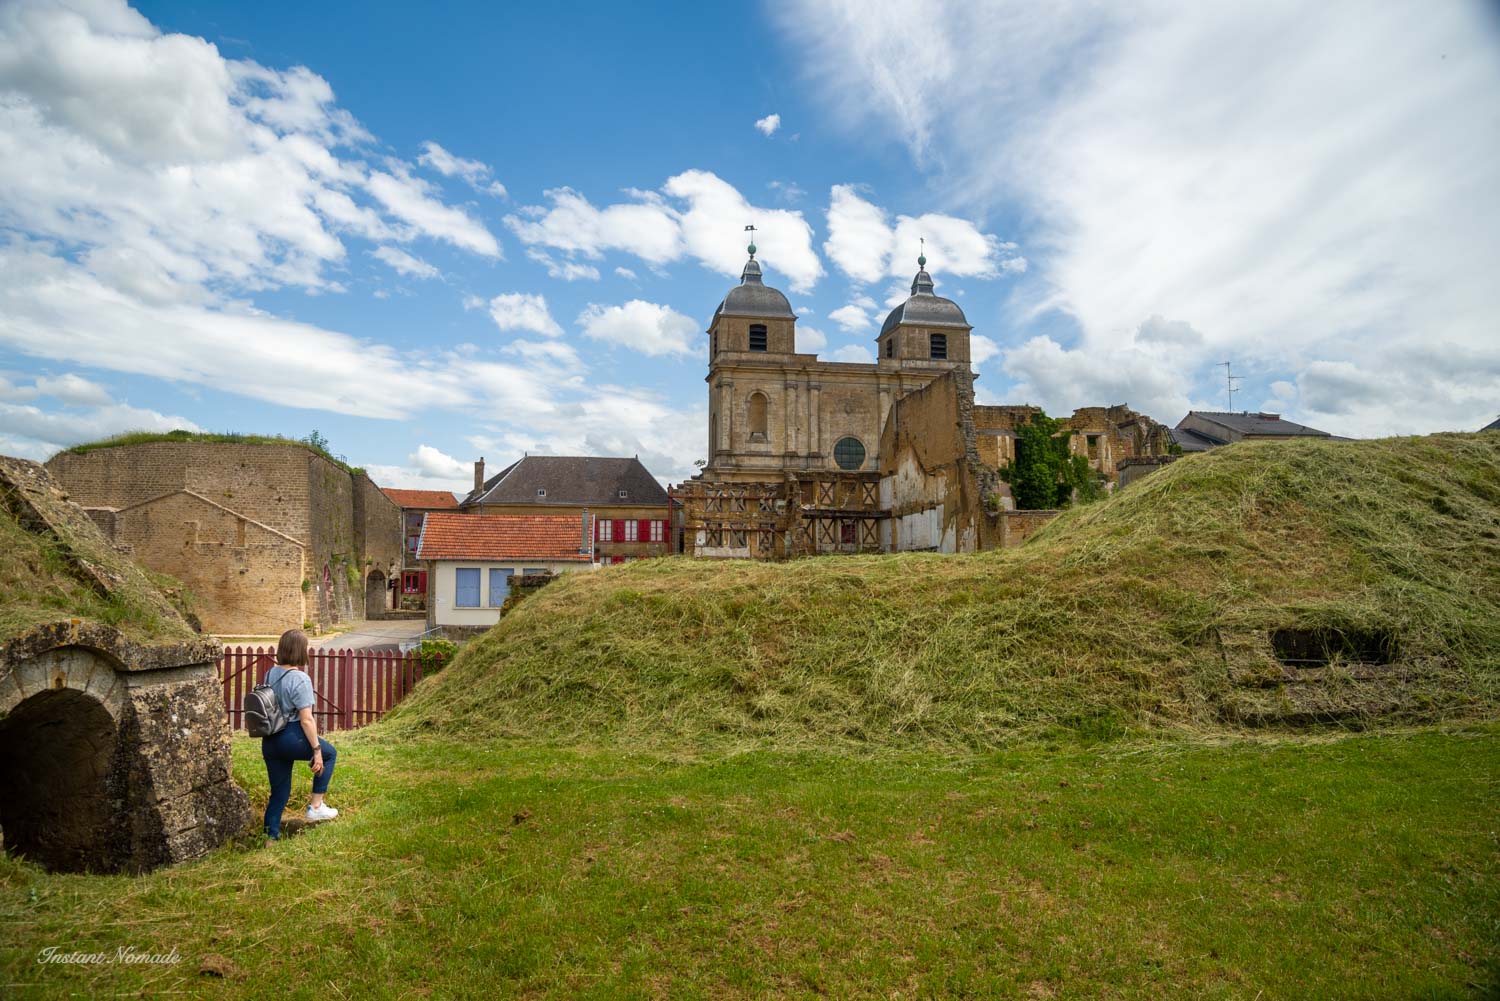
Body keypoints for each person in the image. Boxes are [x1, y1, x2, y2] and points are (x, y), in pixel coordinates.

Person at [261, 628, 339, 843]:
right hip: (291, 736)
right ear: (300, 650)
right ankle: (316, 807)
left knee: (279, 792)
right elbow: (306, 719)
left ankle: (270, 837)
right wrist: (316, 750)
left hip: (270, 740)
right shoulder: (300, 678)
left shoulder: (270, 673)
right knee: (329, 753)